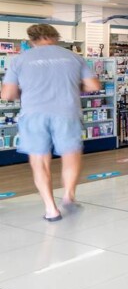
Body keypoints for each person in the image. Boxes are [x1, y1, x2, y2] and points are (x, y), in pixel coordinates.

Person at [0, 24, 100, 221]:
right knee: (70, 155)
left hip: (33, 115)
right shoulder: (73, 57)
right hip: (67, 112)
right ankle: (69, 195)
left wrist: (27, 92)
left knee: (40, 161)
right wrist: (72, 86)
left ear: (31, 40)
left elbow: (7, 94)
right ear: (56, 37)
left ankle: (51, 209)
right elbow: (93, 85)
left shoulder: (19, 60)